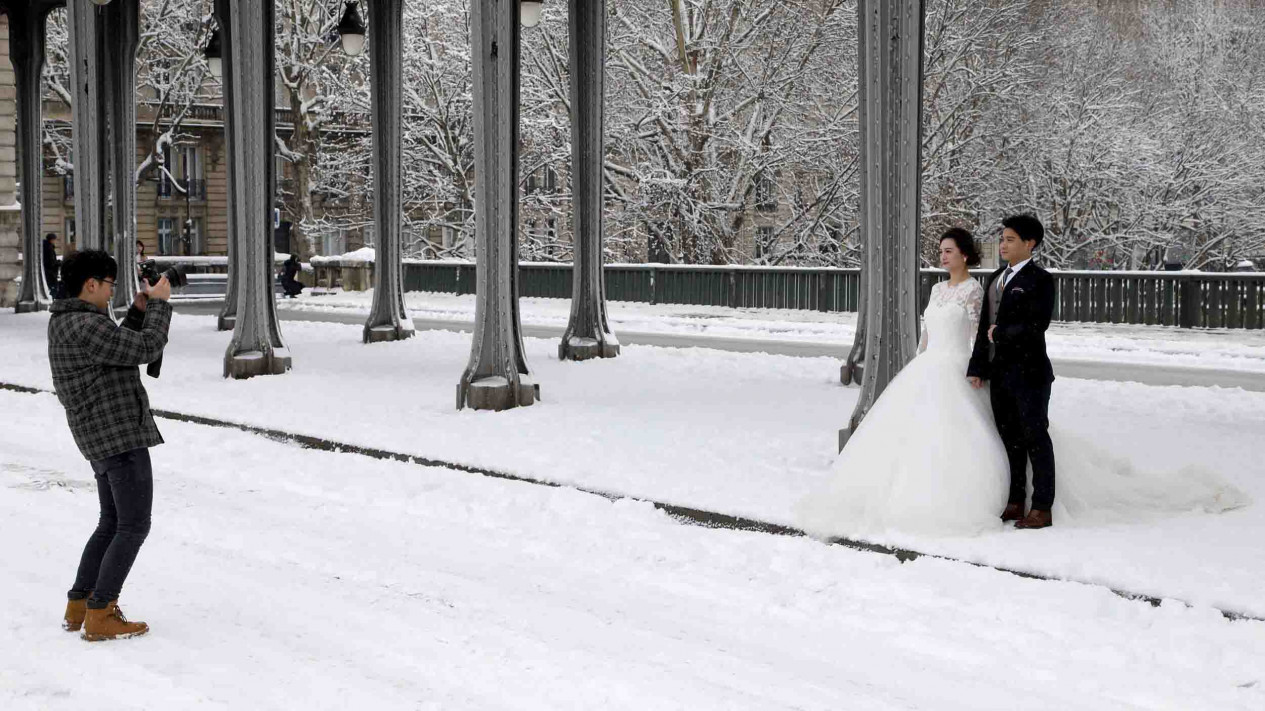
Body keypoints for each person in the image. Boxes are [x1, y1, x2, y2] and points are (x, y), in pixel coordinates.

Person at [797, 226, 1245, 539]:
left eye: (949, 250)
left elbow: (984, 333)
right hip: (928, 369)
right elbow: (926, 337)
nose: (942, 256)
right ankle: (1009, 500)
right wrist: (917, 366)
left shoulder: (981, 289)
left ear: (968, 255)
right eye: (940, 251)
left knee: (1007, 436)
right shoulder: (937, 291)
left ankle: (1033, 503)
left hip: (970, 368)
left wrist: (982, 363)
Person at [48, 249, 172, 641]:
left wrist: (137, 312)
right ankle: (101, 612)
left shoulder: (69, 321)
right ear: (91, 285)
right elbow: (144, 349)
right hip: (118, 435)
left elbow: (118, 351)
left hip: (99, 437)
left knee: (111, 523)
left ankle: (79, 605)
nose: (111, 291)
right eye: (109, 285)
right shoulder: (88, 326)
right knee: (134, 525)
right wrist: (161, 307)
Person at [967, 215, 1057, 529]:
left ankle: (1042, 507)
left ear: (1029, 243)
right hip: (999, 373)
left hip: (1030, 373)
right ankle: (1015, 501)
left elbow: (1037, 325)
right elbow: (983, 328)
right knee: (1010, 439)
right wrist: (977, 366)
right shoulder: (994, 278)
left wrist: (1001, 334)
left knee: (1035, 437)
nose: (1003, 245)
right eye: (1002, 239)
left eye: (1010, 239)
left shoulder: (1040, 280)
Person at [42, 233, 60, 298]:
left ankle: (52, 298)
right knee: (54, 287)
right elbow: (51, 260)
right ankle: (52, 299)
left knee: (52, 286)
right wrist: (57, 263)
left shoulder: (47, 246)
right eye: (54, 239)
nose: (55, 241)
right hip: (50, 271)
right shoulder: (49, 248)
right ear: (51, 240)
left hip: (49, 270)